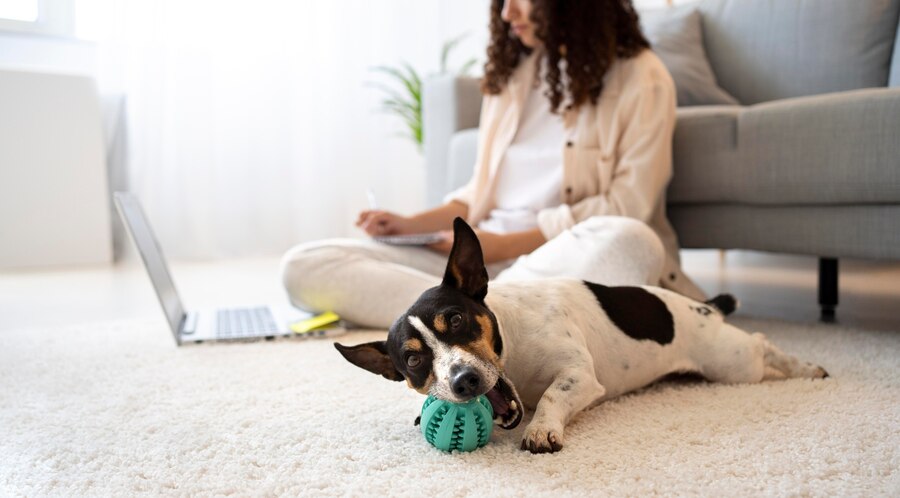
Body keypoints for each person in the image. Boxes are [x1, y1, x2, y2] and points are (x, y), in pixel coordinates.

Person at [281, 0, 706, 328]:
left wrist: (498, 247)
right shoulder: (512, 79)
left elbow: (627, 207)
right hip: (476, 266)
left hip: (555, 261)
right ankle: (487, 315)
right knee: (304, 266)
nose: (507, 13)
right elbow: (477, 195)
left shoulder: (641, 77)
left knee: (632, 241)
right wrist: (409, 225)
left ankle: (461, 312)